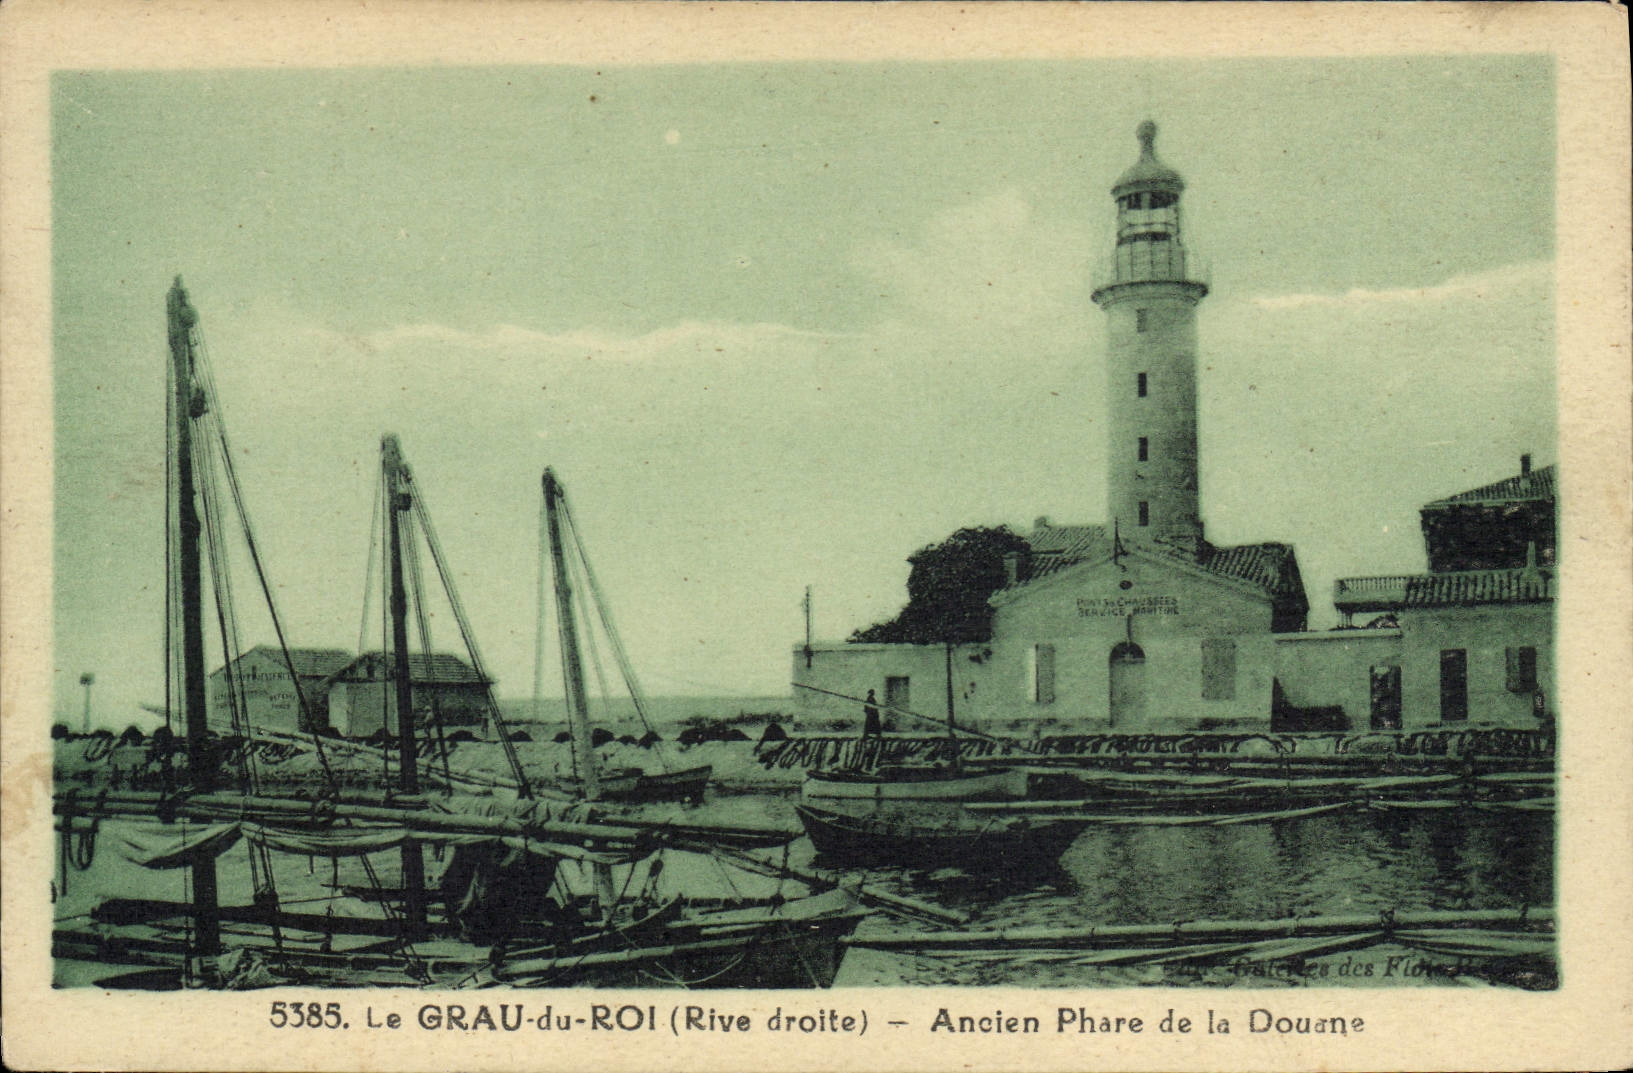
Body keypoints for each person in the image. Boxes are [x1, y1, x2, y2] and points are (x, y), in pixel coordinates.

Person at [857, 689, 883, 769]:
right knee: (873, 726)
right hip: (872, 716)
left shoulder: (870, 699)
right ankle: (875, 735)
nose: (873, 694)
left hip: (871, 716)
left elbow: (866, 709)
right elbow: (870, 708)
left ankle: (868, 735)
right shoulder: (870, 699)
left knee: (869, 727)